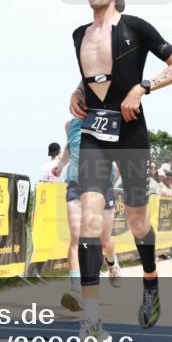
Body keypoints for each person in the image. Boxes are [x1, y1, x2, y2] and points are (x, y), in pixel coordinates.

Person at [68, 0, 172, 341]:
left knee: (137, 221)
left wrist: (143, 87)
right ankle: (91, 319)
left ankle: (150, 283)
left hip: (131, 133)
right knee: (89, 220)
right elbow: (95, 73)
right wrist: (77, 91)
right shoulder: (78, 35)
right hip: (93, 134)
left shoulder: (136, 27)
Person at [51, 118, 122, 312]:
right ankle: (75, 291)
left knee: (104, 241)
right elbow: (70, 146)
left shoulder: (108, 120)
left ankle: (112, 262)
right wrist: (61, 164)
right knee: (75, 239)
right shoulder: (69, 125)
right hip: (75, 184)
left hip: (101, 185)